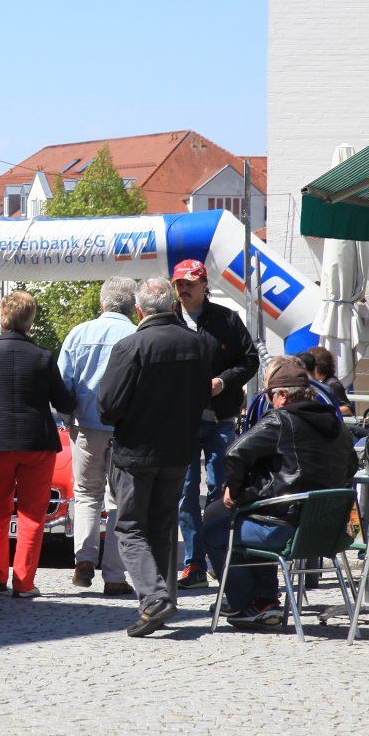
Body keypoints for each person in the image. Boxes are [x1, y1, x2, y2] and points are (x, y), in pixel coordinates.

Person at [98, 277, 214, 636]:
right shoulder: (197, 344)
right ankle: (163, 601)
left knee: (131, 527)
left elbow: (108, 406)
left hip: (135, 451)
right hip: (178, 449)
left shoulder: (130, 346)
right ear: (172, 306)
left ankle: (153, 598)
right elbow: (203, 397)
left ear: (138, 310)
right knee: (162, 526)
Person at [202, 361, 357, 627]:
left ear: (283, 395)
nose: (270, 402)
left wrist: (234, 492)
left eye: (270, 396)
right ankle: (264, 600)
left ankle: (245, 604)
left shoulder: (280, 420)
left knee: (215, 533)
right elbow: (351, 467)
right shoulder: (338, 426)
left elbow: (234, 453)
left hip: (285, 528)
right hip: (328, 532)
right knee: (243, 516)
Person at [0, 290, 75, 599]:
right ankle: (24, 583)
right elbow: (63, 402)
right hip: (37, 441)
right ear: (30, 321)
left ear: (3, 318)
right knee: (33, 513)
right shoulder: (43, 356)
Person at [170, 258, 259, 592]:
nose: (183, 290)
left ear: (204, 285)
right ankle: (193, 562)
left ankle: (218, 559)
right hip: (182, 420)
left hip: (221, 417)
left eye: (189, 284)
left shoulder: (227, 319)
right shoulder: (168, 319)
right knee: (185, 492)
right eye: (179, 284)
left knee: (221, 489)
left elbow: (250, 360)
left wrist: (223, 381)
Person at [55, 276, 137, 595]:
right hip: (126, 430)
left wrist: (69, 420)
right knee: (119, 500)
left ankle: (84, 560)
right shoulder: (137, 335)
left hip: (87, 427)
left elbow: (63, 383)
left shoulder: (79, 333)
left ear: (102, 303)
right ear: (133, 307)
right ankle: (114, 575)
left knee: (87, 493)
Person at [305, 346, 353, 416]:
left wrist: (323, 410)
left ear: (319, 366)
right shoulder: (323, 381)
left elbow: (348, 409)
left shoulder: (333, 384)